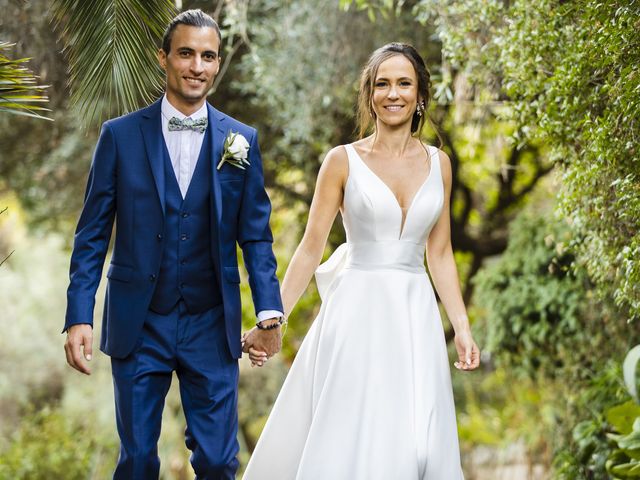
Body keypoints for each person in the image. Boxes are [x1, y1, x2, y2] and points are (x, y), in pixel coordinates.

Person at [62, 9, 284, 480]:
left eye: (208, 56)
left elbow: (257, 237)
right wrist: (79, 314)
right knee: (139, 459)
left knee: (220, 462)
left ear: (218, 64)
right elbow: (92, 234)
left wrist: (269, 313)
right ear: (163, 58)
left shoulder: (241, 140)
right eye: (186, 53)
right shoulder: (119, 136)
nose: (197, 66)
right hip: (139, 323)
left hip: (210, 322)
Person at [243, 42, 480, 479]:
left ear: (420, 94)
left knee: (418, 445)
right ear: (370, 94)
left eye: (404, 83)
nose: (393, 93)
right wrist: (273, 322)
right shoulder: (342, 161)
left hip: (415, 314)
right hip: (356, 314)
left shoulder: (439, 164)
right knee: (353, 435)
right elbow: (310, 248)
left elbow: (440, 253)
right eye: (382, 84)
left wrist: (462, 327)